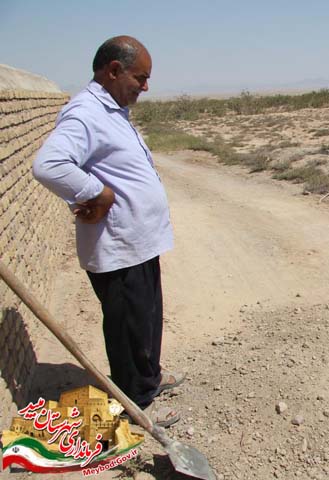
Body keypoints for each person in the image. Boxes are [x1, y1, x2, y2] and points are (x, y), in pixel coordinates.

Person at [33, 36, 183, 426]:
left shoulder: (112, 109)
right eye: (141, 77)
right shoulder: (85, 112)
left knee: (146, 320)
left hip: (139, 241)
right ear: (113, 70)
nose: (145, 87)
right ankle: (136, 404)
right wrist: (95, 192)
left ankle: (148, 379)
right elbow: (49, 165)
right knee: (127, 329)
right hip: (118, 246)